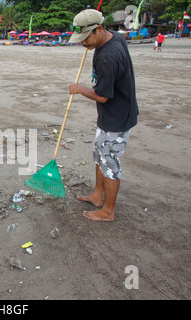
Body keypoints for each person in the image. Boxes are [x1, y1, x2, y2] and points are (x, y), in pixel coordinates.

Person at [67, 9, 139, 222]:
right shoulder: (111, 36)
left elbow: (103, 96)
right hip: (111, 115)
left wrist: (79, 89)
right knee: (100, 155)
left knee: (110, 162)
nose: (83, 43)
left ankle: (108, 211)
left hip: (117, 117)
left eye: (86, 38)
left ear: (99, 29)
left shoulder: (107, 57)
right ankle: (98, 196)